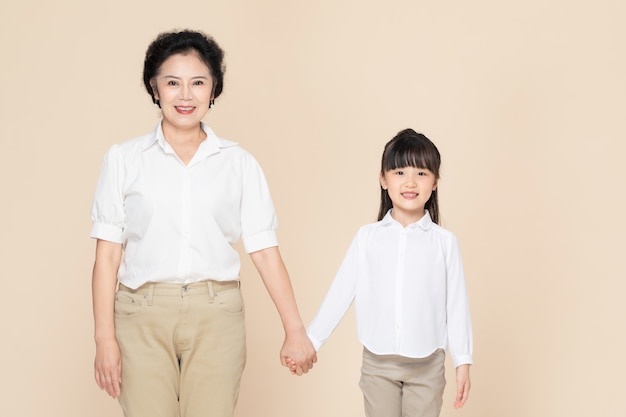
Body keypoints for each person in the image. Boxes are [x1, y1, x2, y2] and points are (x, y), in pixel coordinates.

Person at [90, 29, 316, 417]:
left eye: (198, 83)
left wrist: (295, 329)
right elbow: (108, 256)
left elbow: (264, 252)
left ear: (214, 90)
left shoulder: (239, 163)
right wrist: (104, 338)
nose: (185, 95)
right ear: (154, 87)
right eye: (172, 82)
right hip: (141, 314)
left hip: (217, 315)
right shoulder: (123, 159)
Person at [290, 129, 473, 416]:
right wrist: (311, 342)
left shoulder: (445, 243)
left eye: (422, 173)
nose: (410, 182)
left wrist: (463, 361)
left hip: (427, 366)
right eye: (399, 172)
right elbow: (340, 293)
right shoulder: (367, 238)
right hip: (378, 365)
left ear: (435, 182)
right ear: (383, 179)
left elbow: (457, 305)